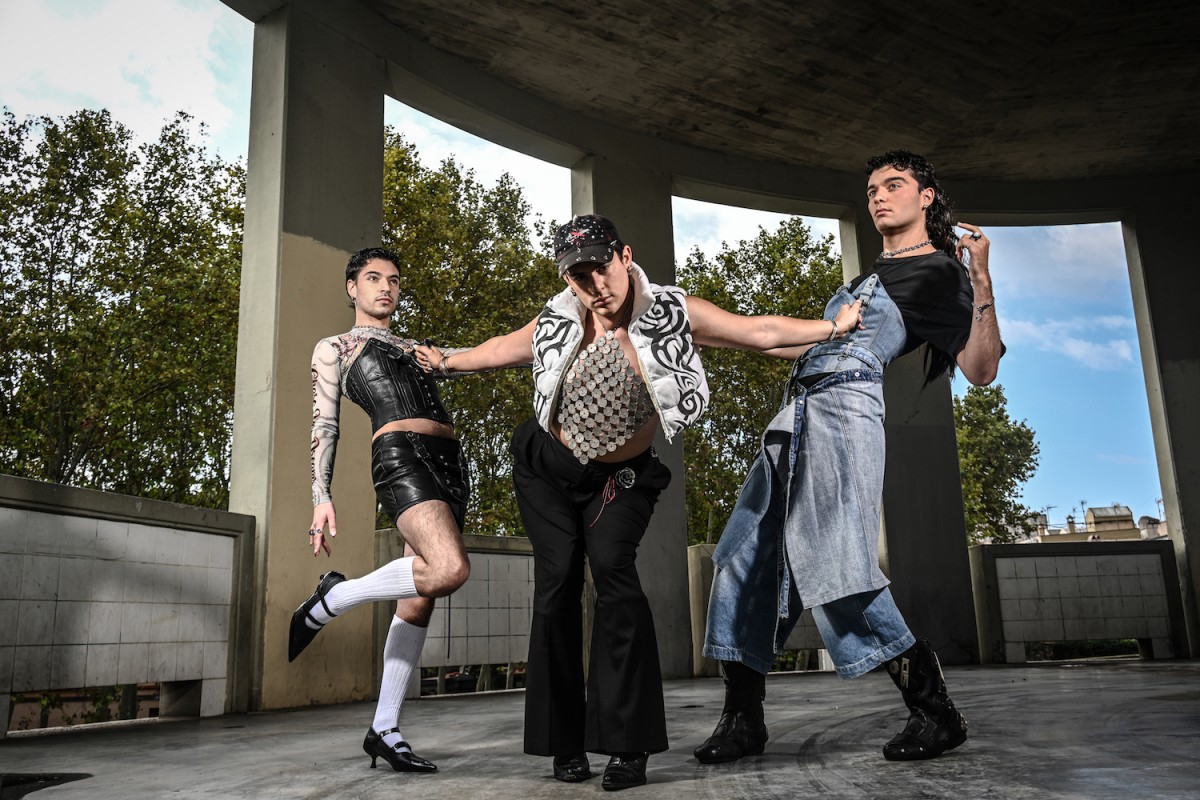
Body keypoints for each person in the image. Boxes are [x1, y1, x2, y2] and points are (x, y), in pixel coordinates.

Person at [414, 214, 862, 791]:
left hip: (619, 478)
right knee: (556, 586)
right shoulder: (559, 317)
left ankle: (629, 746)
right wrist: (445, 359)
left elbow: (758, 332)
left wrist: (834, 327)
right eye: (580, 276)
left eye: (602, 268)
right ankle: (563, 742)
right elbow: (502, 349)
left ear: (625, 256)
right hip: (547, 470)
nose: (595, 284)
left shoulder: (671, 312)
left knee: (614, 575)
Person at [695, 150, 1004, 765]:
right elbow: (801, 344)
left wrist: (982, 280)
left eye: (894, 185)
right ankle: (742, 720)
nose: (878, 197)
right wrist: (712, 333)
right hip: (797, 412)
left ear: (927, 197)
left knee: (837, 563)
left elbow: (981, 368)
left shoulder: (940, 272)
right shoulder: (865, 280)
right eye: (871, 190)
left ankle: (935, 711)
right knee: (742, 560)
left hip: (845, 413)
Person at [289, 246, 473, 775]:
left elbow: (473, 358)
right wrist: (320, 495)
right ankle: (334, 598)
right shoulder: (335, 347)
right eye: (373, 278)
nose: (385, 287)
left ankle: (385, 730)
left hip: (450, 464)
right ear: (352, 288)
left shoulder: (417, 348)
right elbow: (324, 423)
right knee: (449, 569)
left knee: (419, 597)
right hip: (401, 456)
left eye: (393, 280)